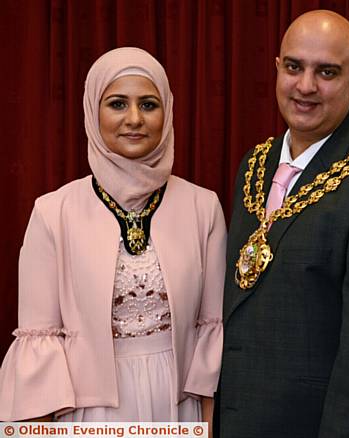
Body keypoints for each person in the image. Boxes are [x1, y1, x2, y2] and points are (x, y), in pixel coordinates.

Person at [217, 9, 349, 438]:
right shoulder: (254, 165)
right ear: (277, 69)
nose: (306, 86)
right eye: (294, 67)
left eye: (327, 72)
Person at [0, 47, 225, 427]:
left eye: (149, 105)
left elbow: (210, 336)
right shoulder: (54, 213)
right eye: (118, 104)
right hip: (87, 414)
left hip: (176, 405)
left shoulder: (203, 207)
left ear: (167, 113)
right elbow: (38, 347)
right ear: (93, 111)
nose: (134, 119)